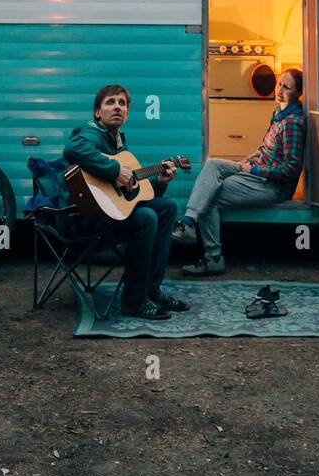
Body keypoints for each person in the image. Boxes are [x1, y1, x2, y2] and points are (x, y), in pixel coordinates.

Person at [64, 83, 189, 320]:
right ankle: (134, 301)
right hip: (89, 218)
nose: (117, 107)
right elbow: (72, 148)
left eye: (122, 103)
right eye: (110, 102)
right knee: (146, 217)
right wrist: (114, 170)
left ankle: (151, 290)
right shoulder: (92, 132)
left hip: (113, 213)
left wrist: (160, 181)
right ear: (97, 112)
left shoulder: (118, 143)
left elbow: (133, 194)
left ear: (127, 113)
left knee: (167, 208)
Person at [171, 68, 306, 275]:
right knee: (213, 164)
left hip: (272, 185)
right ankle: (189, 222)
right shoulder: (278, 114)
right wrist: (245, 163)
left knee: (210, 196)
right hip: (255, 174)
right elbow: (264, 150)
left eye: (287, 87)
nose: (279, 90)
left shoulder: (292, 124)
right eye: (279, 83)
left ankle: (213, 258)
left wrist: (252, 169)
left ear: (298, 93)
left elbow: (290, 169)